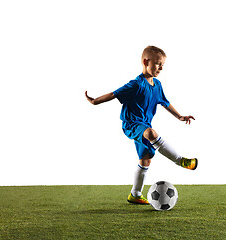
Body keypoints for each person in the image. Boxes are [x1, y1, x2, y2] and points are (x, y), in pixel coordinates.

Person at [85, 46, 198, 205]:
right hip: (131, 124)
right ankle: (181, 161)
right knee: (151, 133)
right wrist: (95, 101)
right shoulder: (136, 84)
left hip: (144, 124)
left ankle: (135, 194)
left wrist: (179, 116)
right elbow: (114, 94)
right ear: (146, 62)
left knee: (145, 160)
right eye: (157, 63)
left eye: (162, 65)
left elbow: (165, 102)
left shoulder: (157, 85)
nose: (160, 67)